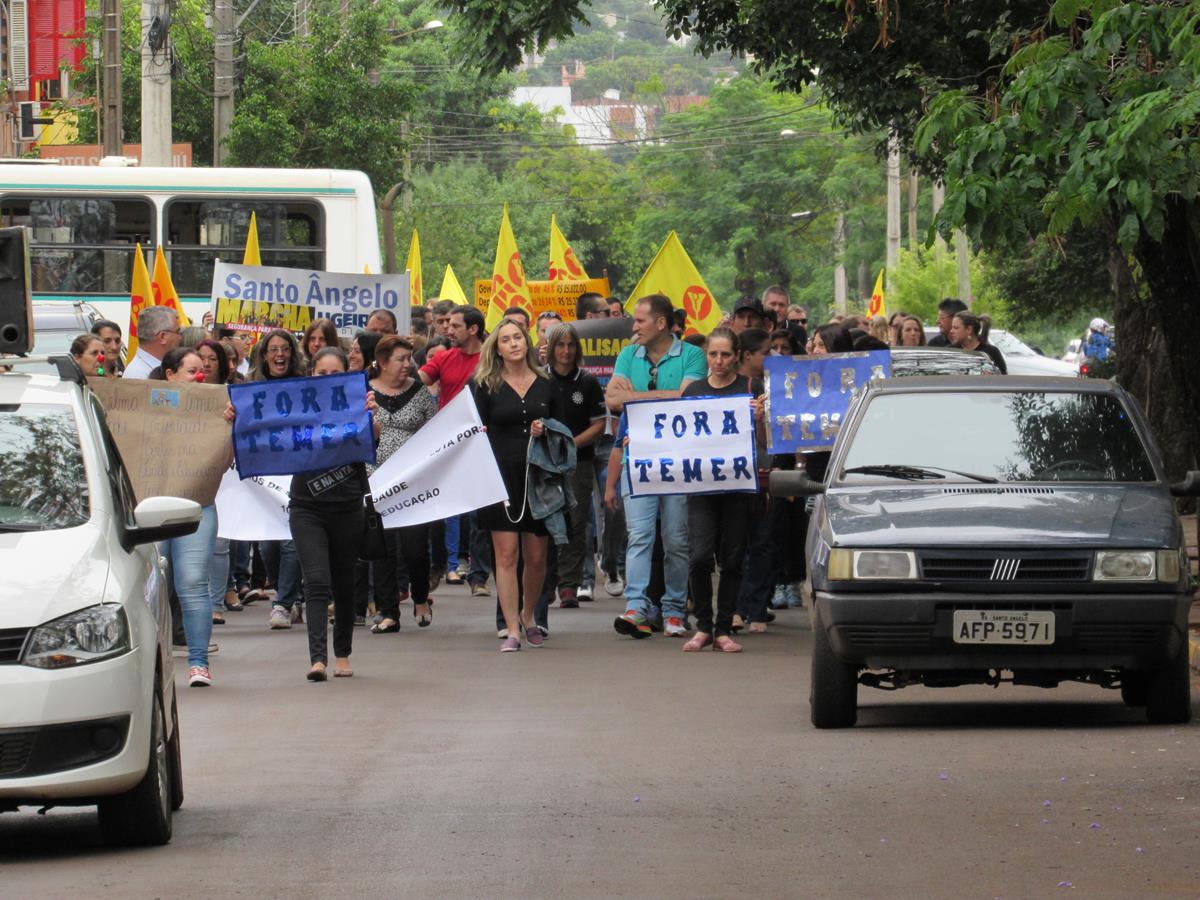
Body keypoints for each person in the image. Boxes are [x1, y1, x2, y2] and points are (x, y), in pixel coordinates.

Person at [605, 294, 707, 638]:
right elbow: (613, 400)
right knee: (639, 538)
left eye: (640, 321)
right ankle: (636, 608)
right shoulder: (626, 354)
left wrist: (634, 397)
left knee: (676, 539)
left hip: (679, 463)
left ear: (661, 323)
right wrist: (662, 396)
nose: (633, 327)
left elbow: (688, 398)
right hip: (637, 460)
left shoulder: (692, 354)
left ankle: (675, 611)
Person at [472, 318, 566, 652]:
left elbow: (563, 431)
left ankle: (529, 617)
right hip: (499, 475)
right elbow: (472, 431)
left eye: (517, 338)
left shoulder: (546, 383)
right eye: (505, 339)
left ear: (526, 343)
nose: (513, 343)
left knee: (537, 557)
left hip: (538, 477)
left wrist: (548, 429)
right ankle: (511, 628)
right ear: (496, 348)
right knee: (507, 554)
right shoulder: (484, 384)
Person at [290, 347, 378, 680]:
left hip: (347, 505)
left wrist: (369, 415)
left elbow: (373, 443)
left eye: (334, 374)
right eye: (320, 374)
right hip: (306, 506)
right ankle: (317, 659)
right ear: (311, 374)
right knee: (315, 581)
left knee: (344, 583)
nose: (327, 379)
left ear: (346, 375)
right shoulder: (297, 404)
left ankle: (342, 653)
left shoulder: (358, 403)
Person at [681, 327, 763, 653]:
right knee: (699, 556)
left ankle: (723, 628)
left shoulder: (750, 389)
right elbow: (678, 441)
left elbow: (767, 444)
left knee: (731, 559)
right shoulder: (693, 392)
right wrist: (646, 447)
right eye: (713, 354)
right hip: (701, 488)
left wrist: (759, 420)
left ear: (737, 356)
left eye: (725, 354)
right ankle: (703, 626)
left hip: (738, 488)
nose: (718, 361)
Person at [151, 347, 220, 686]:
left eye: (202, 370)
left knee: (192, 582)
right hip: (153, 508)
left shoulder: (216, 408)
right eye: (192, 371)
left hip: (197, 505)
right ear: (170, 375)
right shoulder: (147, 407)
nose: (200, 376)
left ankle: (198, 663)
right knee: (154, 586)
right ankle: (152, 662)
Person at [368, 336, 439, 633]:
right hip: (376, 479)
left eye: (409, 357)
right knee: (382, 549)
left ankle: (420, 596)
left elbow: (435, 431)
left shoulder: (419, 391)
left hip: (412, 482)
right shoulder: (365, 393)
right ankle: (389, 612)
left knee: (414, 548)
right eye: (400, 359)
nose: (407, 364)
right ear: (382, 363)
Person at [420, 305, 491, 596]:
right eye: (447, 325)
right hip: (447, 444)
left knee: (479, 512)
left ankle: (478, 576)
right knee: (438, 507)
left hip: (482, 443)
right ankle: (439, 563)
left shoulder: (491, 359)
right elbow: (417, 380)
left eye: (455, 326)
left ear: (473, 329)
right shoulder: (444, 358)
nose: (448, 331)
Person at [544, 323, 605, 607]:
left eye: (570, 345)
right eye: (560, 345)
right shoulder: (538, 380)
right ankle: (546, 581)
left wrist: (570, 444)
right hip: (543, 463)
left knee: (576, 521)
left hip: (578, 462)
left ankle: (569, 584)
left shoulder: (588, 382)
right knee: (545, 522)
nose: (566, 351)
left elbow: (599, 425)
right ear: (551, 348)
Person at [250, 329, 307, 629]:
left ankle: (283, 604)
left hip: (295, 468)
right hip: (264, 471)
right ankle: (293, 595)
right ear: (264, 355)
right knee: (266, 546)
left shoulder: (303, 385)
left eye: (285, 349)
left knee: (288, 541)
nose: (279, 355)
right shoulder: (251, 386)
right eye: (273, 350)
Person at [124, 306, 181, 378]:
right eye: (178, 332)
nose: (180, 337)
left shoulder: (147, 369)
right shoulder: (138, 374)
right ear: (163, 337)